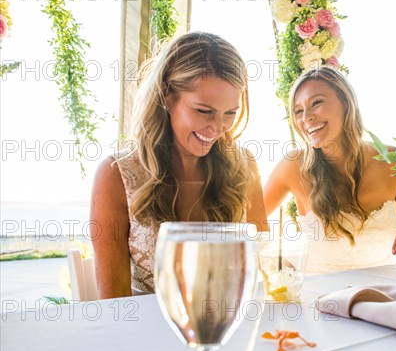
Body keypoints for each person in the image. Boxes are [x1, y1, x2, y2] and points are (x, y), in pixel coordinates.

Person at [90, 32, 267, 299]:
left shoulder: (243, 167)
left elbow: (260, 272)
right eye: (204, 111)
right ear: (166, 96)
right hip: (146, 334)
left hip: (229, 329)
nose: (218, 128)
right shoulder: (117, 175)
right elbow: (113, 303)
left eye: (230, 113)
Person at [263, 67, 396, 274]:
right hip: (317, 299)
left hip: (384, 296)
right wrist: (279, 267)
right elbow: (245, 228)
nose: (306, 117)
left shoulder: (395, 162)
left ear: (346, 103)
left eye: (316, 103)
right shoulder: (293, 165)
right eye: (298, 111)